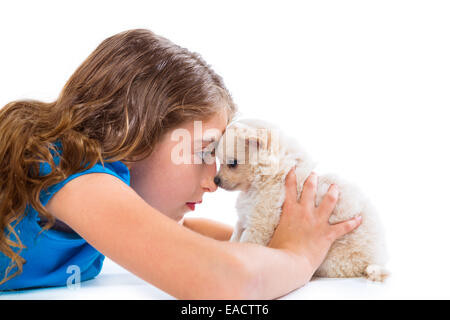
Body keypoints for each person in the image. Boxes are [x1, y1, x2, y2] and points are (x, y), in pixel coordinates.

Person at [0, 28, 362, 299]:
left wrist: (299, 237)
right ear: (134, 128)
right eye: (205, 152)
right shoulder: (74, 177)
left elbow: (186, 236)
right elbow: (227, 279)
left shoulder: (101, 197)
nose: (213, 179)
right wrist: (297, 256)